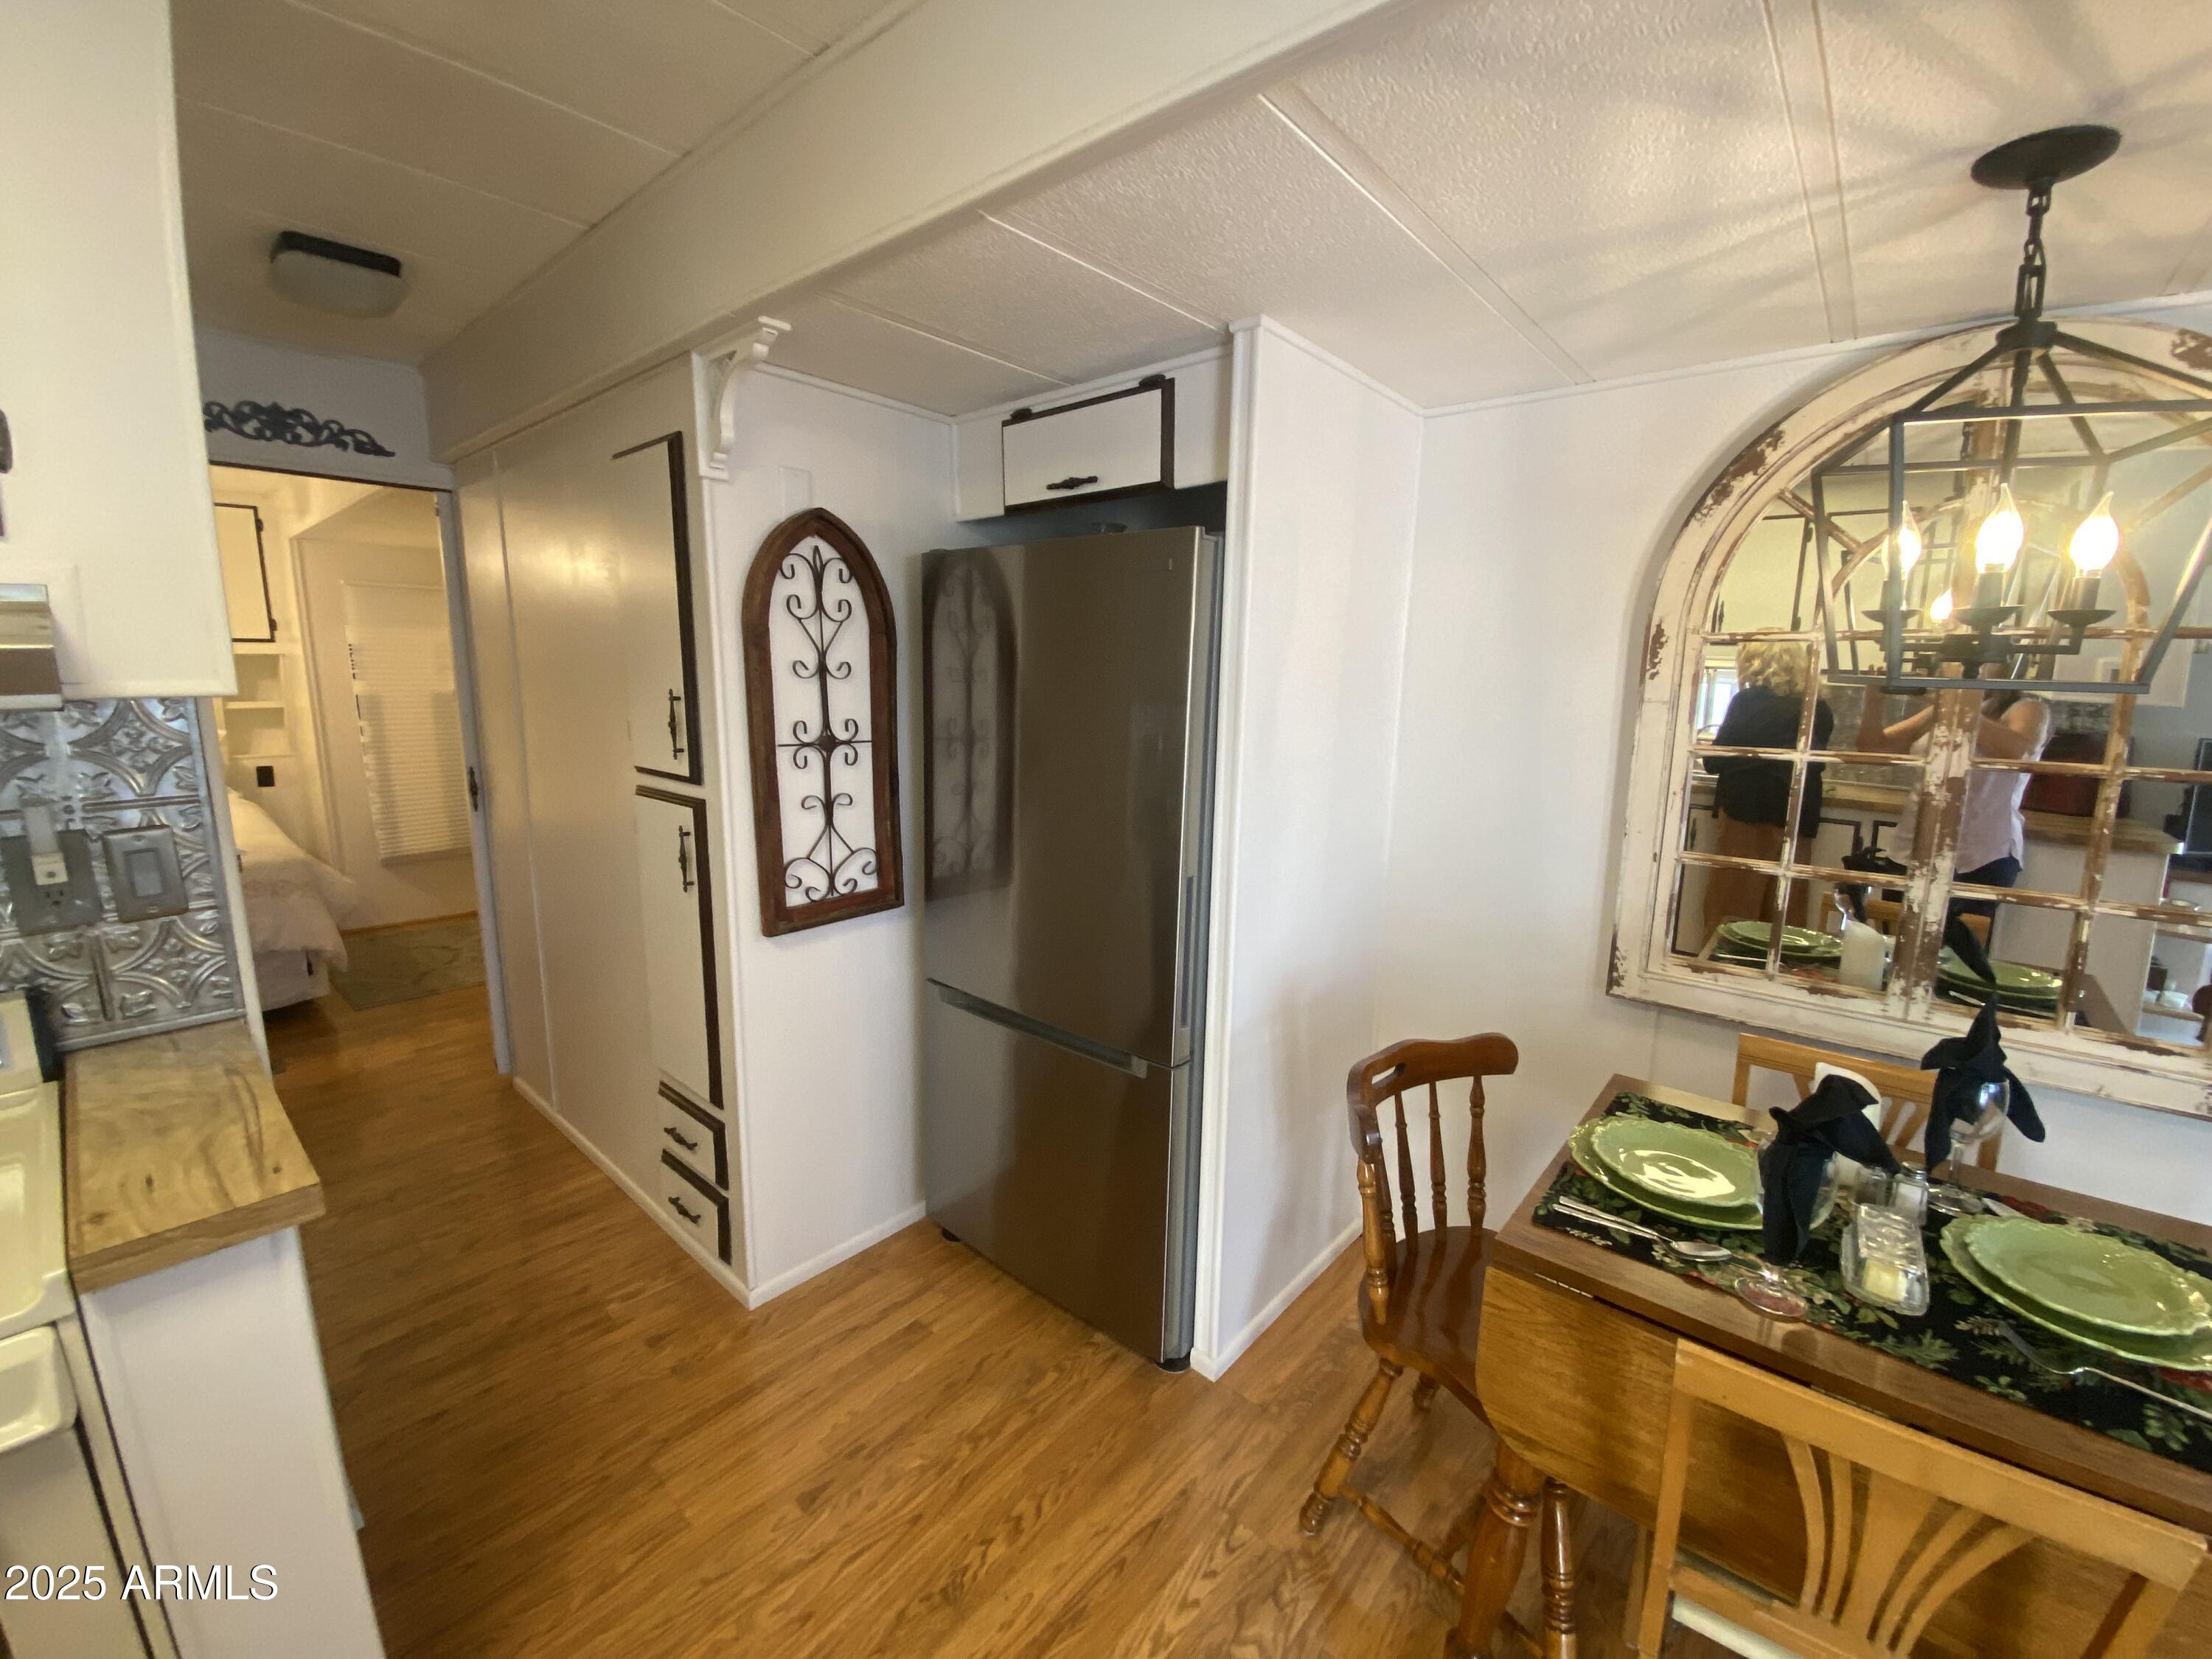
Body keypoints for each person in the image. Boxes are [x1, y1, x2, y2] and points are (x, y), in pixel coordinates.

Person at [1856, 683, 2051, 923]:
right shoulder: (1941, 709)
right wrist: (1874, 699)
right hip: (1914, 850)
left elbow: (2021, 752)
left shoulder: (2027, 708)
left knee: (1958, 952)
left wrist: (1957, 707)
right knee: (1896, 945)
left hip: (1981, 856)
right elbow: (1872, 749)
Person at [1701, 641, 1833, 938]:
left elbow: (1714, 760)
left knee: (1732, 911)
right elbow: (1815, 763)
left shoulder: (1749, 701)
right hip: (1798, 817)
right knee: (1784, 913)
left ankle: (1721, 976)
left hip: (1747, 813)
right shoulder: (1817, 705)